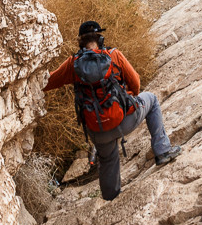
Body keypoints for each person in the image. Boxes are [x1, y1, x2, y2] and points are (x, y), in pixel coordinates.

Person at [43, 20, 181, 200]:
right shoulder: (114, 55)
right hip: (124, 120)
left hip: (97, 131)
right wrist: (128, 101)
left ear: (80, 42)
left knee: (107, 158)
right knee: (152, 100)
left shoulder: (73, 64)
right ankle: (162, 151)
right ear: (99, 38)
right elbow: (136, 83)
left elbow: (48, 82)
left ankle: (111, 196)